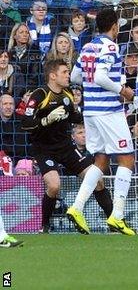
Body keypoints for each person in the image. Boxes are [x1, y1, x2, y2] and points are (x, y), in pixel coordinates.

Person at [21, 59, 113, 233]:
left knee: (98, 180)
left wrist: (91, 116)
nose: (68, 76)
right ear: (53, 75)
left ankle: (114, 221)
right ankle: (44, 227)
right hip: (44, 149)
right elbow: (25, 123)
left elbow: (75, 118)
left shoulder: (68, 93)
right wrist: (46, 120)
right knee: (54, 186)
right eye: (64, 72)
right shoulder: (39, 95)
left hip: (66, 147)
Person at [68, 9, 136, 236]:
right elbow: (99, 76)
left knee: (101, 161)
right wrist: (123, 91)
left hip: (91, 112)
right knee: (126, 159)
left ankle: (77, 207)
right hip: (109, 112)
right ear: (114, 25)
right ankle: (117, 216)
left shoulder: (88, 46)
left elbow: (75, 77)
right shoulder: (110, 46)